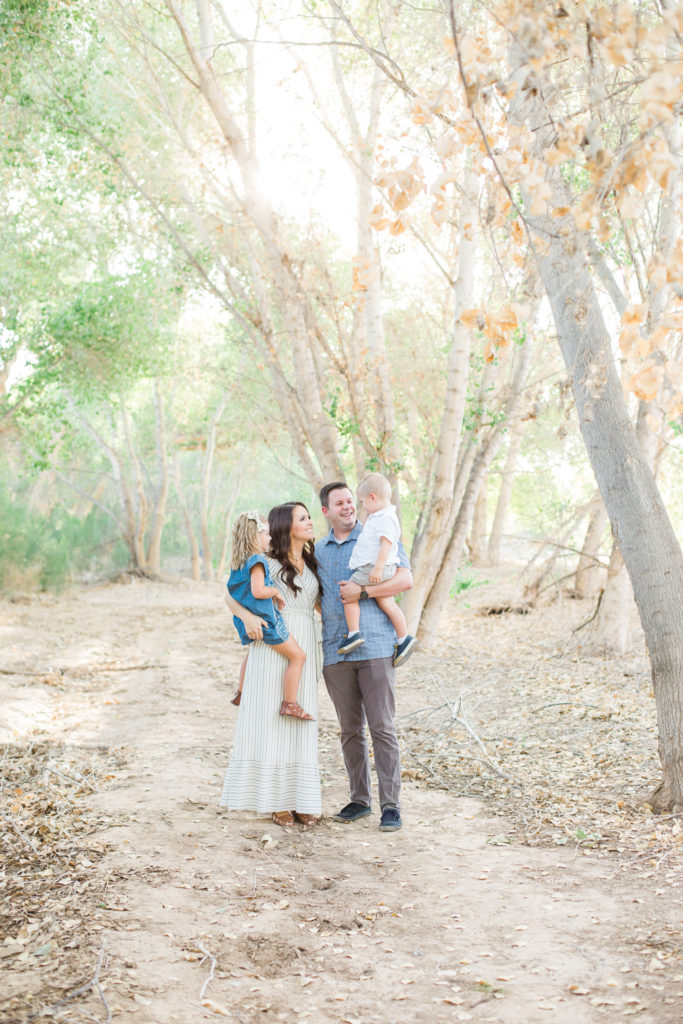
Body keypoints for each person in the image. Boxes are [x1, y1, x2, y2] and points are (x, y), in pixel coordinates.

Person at [315, 481, 413, 833]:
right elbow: (314, 594)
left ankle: (391, 806)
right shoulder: (318, 551)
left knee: (383, 728)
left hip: (374, 646)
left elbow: (405, 580)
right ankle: (359, 799)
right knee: (349, 730)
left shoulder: (378, 530)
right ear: (326, 511)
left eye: (348, 501)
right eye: (338, 503)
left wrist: (364, 591)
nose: (347, 507)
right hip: (334, 651)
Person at [220, 502, 323, 828]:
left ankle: (301, 798)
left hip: (306, 638)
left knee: (299, 721)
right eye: (302, 518)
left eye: (309, 517)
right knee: (272, 721)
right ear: (284, 526)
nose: (310, 522)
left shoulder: (311, 560)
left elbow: (318, 603)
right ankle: (276, 801)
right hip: (272, 643)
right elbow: (230, 595)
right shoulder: (266, 560)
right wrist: (248, 616)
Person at [226, 509, 312, 720]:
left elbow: (237, 591)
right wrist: (274, 591)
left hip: (247, 620)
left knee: (251, 653)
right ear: (255, 537)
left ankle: (241, 691)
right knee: (298, 656)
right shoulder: (258, 561)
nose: (270, 538)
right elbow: (258, 591)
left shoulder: (240, 562)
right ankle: (290, 703)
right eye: (266, 534)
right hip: (267, 621)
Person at [338, 473, 417, 666]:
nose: (362, 506)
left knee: (348, 593)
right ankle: (404, 638)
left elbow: (386, 544)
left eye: (363, 501)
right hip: (379, 568)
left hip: (377, 568)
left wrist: (377, 569)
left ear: (373, 497)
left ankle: (354, 633)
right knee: (387, 603)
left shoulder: (386, 519)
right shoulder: (379, 516)